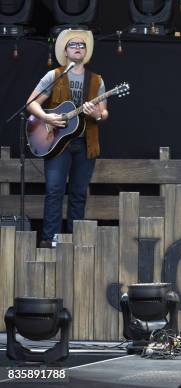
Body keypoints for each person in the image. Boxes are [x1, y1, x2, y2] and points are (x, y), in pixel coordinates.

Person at [26, 29, 108, 248]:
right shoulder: (55, 75)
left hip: (84, 143)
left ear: (86, 50)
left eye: (82, 45)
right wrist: (46, 117)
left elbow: (103, 113)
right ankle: (49, 239)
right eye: (73, 45)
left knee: (79, 193)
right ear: (65, 50)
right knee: (54, 191)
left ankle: (75, 240)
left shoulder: (96, 80)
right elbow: (31, 103)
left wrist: (95, 114)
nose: (78, 47)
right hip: (55, 142)